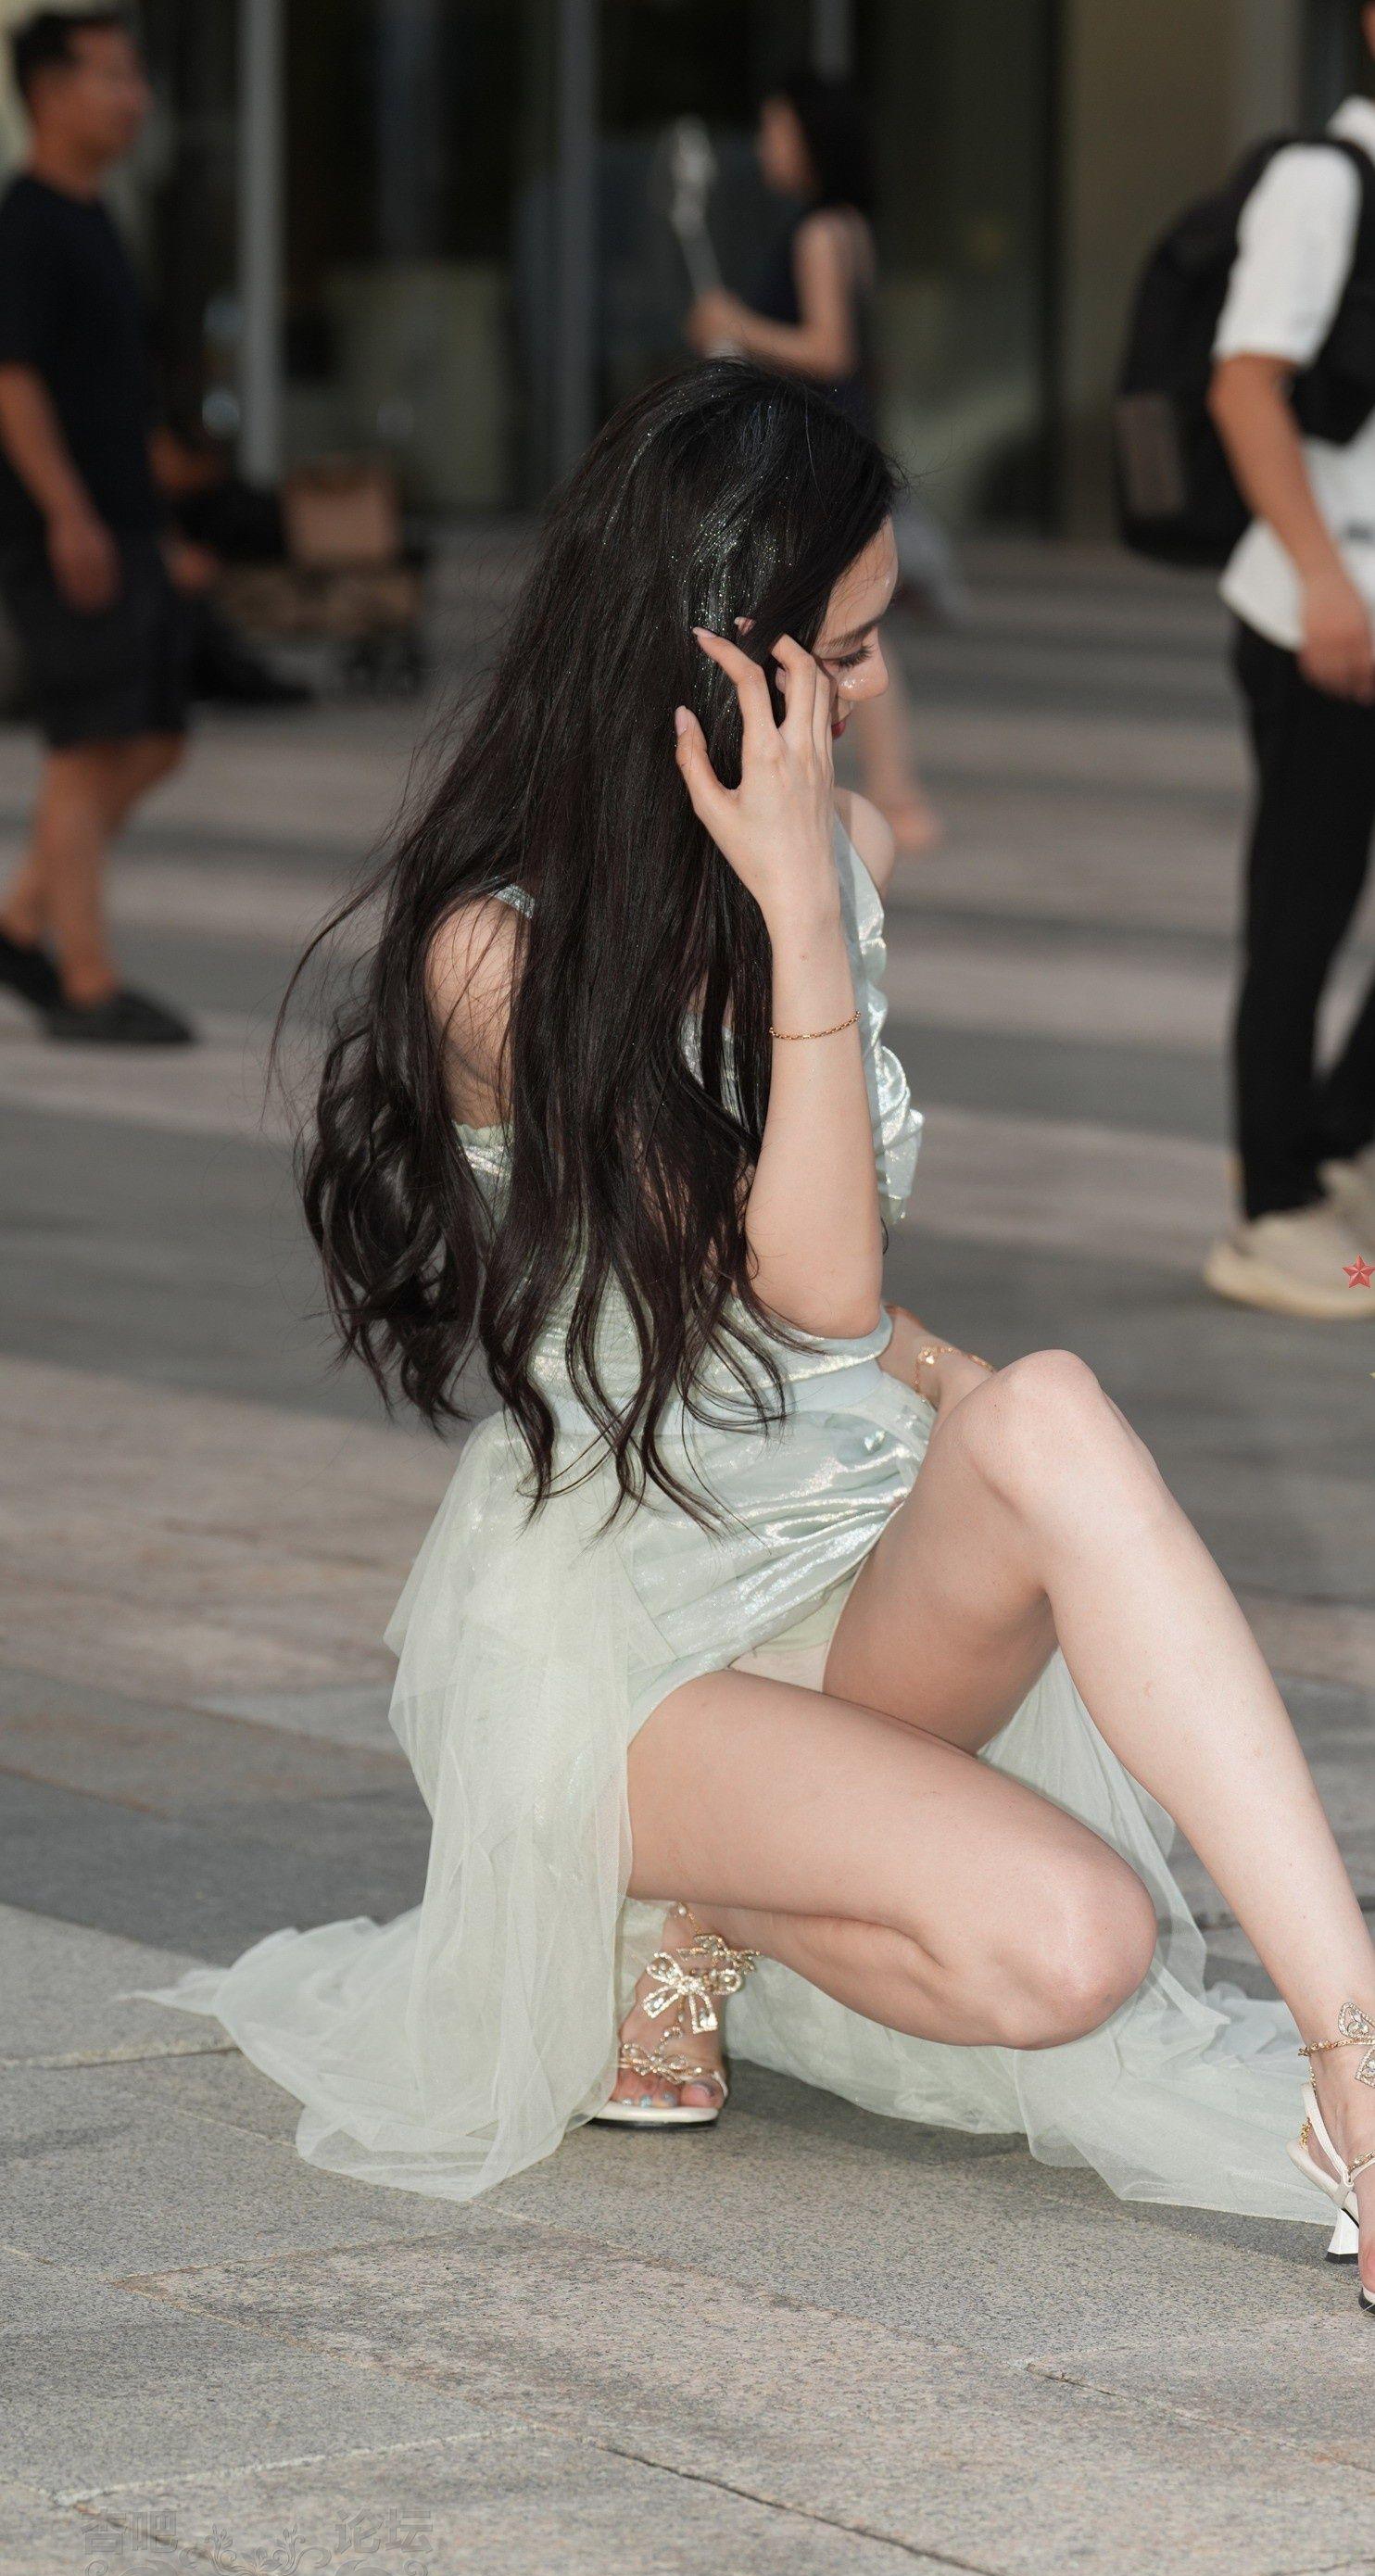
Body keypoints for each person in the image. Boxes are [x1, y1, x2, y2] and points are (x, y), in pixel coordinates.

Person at [135, 366, 1374, 2310]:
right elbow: (807, 1287)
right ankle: (664, 1878)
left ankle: (1351, 2055)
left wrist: (954, 1381)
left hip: (845, 1545)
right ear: (722, 649)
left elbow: (838, 1321)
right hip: (626, 1639)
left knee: (1049, 1411)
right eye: (846, 646)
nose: (871, 689)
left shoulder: (841, 854)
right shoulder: (494, 950)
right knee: (1074, 1947)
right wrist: (796, 904)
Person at [1205, 34, 1375, 1315]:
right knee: (1300, 917)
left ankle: (1334, 1144)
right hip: (1322, 615)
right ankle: (1270, 1203)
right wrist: (1323, 583)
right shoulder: (1325, 181)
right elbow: (1244, 390)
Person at [684, 69, 945, 857]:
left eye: (776, 129)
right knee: (845, 621)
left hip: (816, 452)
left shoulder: (818, 234)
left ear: (809, 138)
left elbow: (830, 349)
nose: (766, 146)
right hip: (840, 442)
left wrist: (734, 323)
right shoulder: (849, 227)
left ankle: (893, 794)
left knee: (845, 624)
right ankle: (883, 789)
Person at [0, 8, 195, 1046]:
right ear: (48, 92)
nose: (137, 98)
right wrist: (69, 514)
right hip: (64, 533)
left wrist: (158, 528)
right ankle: (84, 983)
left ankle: (19, 920)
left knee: (156, 740)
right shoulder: (27, 225)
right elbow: (12, 381)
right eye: (114, 77)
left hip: (120, 525)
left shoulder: (93, 216)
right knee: (88, 753)